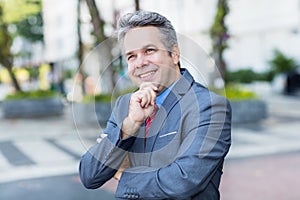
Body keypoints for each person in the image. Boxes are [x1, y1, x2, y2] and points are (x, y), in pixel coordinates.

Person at [79, 10, 231, 199]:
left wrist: (123, 174)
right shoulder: (125, 104)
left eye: (149, 50)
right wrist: (129, 126)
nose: (140, 63)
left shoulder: (209, 106)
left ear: (174, 54)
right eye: (131, 56)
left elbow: (183, 180)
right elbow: (89, 175)